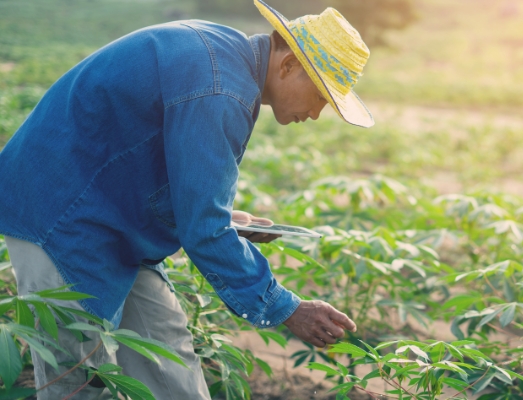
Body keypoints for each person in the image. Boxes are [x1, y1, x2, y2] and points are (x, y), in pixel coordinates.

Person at [0, 0, 373, 398]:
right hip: (60, 217)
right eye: (319, 97)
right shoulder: (221, 88)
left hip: (111, 218)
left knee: (171, 370)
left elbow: (170, 176)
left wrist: (222, 218)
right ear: (287, 66)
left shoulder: (226, 58)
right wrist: (286, 307)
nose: (315, 114)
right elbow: (204, 232)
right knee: (78, 380)